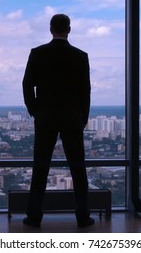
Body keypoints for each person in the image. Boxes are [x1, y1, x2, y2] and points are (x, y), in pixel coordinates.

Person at [22, 14, 93, 228]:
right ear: (69, 29)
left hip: (45, 117)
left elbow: (27, 85)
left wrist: (35, 110)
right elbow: (85, 91)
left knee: (40, 168)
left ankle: (34, 216)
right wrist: (83, 117)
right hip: (72, 117)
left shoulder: (38, 53)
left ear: (50, 29)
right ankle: (82, 217)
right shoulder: (80, 56)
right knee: (78, 169)